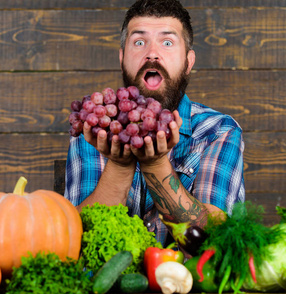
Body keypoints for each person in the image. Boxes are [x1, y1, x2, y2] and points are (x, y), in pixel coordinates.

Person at [65, 0, 245, 247]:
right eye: (139, 42)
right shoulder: (93, 131)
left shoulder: (218, 131)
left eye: (167, 42)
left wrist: (156, 164)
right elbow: (72, 242)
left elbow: (217, 244)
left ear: (188, 62)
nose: (151, 53)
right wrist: (118, 165)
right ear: (122, 58)